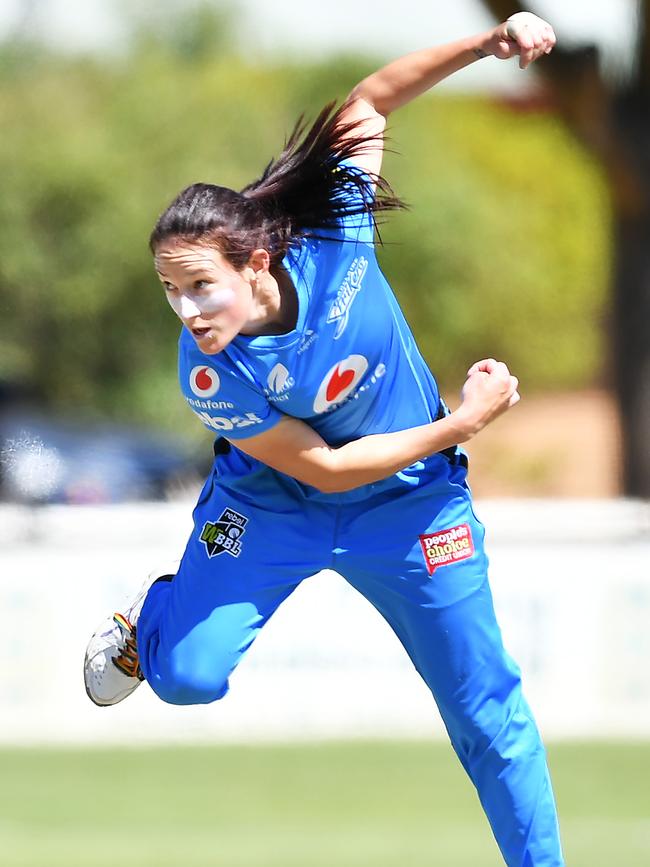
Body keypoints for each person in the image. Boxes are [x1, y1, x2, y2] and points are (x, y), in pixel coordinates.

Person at [85, 12, 563, 866]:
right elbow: (331, 470)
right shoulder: (208, 375)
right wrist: (462, 421)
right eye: (169, 291)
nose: (187, 313)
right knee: (189, 678)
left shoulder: (333, 232)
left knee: (490, 716)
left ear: (256, 263)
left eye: (200, 286)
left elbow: (371, 103)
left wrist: (485, 45)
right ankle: (151, 616)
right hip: (276, 503)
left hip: (415, 507)